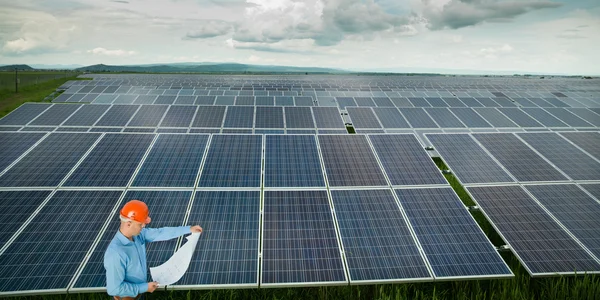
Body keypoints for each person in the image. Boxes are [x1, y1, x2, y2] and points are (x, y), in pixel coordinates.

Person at [104, 200, 202, 300]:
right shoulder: (115, 253)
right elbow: (114, 289)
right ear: (128, 224)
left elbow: (160, 233)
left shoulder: (138, 236)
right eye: (140, 224)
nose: (143, 226)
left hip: (138, 295)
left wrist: (188, 229)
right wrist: (145, 287)